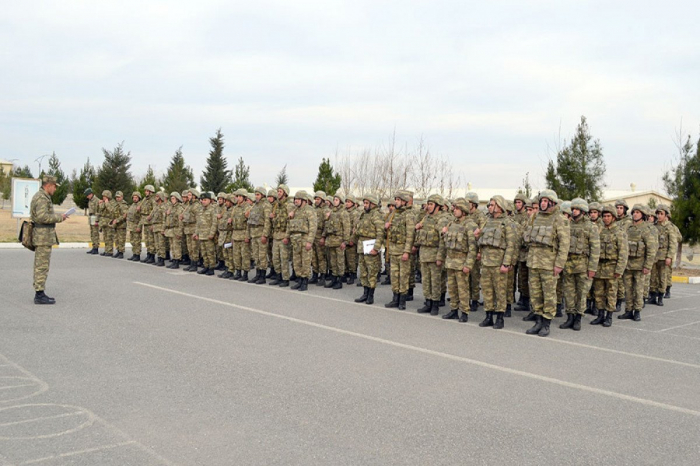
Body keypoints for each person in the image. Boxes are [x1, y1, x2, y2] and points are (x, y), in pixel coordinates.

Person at [523, 190, 570, 337]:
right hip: (534, 261)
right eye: (541, 201)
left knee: (549, 294)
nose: (542, 203)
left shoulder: (559, 219)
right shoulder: (535, 216)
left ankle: (546, 323)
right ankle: (537, 320)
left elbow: (564, 244)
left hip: (549, 263)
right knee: (535, 293)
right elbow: (526, 235)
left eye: (545, 201)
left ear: (552, 203)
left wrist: (559, 264)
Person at [476, 195, 517, 329]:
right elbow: (482, 241)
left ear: (499, 206)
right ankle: (488, 316)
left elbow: (511, 245)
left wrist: (506, 263)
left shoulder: (507, 223)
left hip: (499, 262)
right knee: (487, 290)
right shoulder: (486, 221)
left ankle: (500, 317)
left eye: (492, 204)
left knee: (500, 291)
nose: (489, 207)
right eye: (489, 205)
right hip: (486, 261)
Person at [560, 198, 600, 331]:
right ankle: (570, 317)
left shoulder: (591, 227)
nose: (574, 211)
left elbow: (595, 249)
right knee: (569, 293)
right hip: (568, 264)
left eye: (577, 209)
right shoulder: (567, 224)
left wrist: (592, 268)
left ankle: (578, 318)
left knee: (582, 294)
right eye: (573, 209)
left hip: (583, 265)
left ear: (583, 211)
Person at [30, 175, 68, 304]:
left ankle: (40, 292)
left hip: (43, 236)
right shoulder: (41, 197)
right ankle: (39, 294)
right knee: (42, 266)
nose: (55, 189)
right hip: (42, 237)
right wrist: (59, 217)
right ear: (49, 185)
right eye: (54, 187)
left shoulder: (43, 196)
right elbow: (42, 217)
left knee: (41, 265)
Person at [440, 198, 478, 322]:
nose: (454, 211)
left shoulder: (470, 225)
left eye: (457, 209)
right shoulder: (451, 224)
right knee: (452, 288)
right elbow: (446, 243)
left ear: (463, 210)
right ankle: (453, 310)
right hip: (450, 261)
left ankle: (464, 312)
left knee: (463, 289)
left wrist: (469, 264)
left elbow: (473, 248)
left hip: (462, 263)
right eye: (454, 208)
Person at [591, 205, 628, 327]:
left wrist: (619, 270)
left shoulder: (619, 232)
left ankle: (609, 316)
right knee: (598, 293)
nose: (606, 218)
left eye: (608, 216)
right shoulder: (599, 230)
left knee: (611, 293)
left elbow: (623, 253)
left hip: (612, 267)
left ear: (613, 217)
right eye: (604, 216)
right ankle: (600, 315)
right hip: (599, 267)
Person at [620, 204, 656, 321]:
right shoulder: (627, 227)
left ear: (643, 215)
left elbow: (651, 249)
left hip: (640, 266)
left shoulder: (646, 229)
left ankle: (637, 311)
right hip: (627, 265)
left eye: (638, 212)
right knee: (628, 289)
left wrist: (647, 266)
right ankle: (628, 310)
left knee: (638, 290)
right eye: (634, 212)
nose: (635, 214)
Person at [415, 194, 449, 315]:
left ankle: (435, 304)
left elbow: (442, 240)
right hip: (424, 253)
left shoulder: (442, 219)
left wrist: (440, 257)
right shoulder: (426, 218)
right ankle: (428, 302)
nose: (428, 207)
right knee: (426, 281)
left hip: (434, 254)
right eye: (428, 204)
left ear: (438, 206)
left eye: (431, 204)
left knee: (435, 281)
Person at [384, 191, 415, 309]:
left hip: (402, 251)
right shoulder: (393, 215)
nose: (395, 202)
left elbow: (410, 235)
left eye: (398, 200)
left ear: (404, 202)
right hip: (393, 250)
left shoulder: (409, 215)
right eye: (395, 199)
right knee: (394, 276)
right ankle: (395, 298)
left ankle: (402, 301)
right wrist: (386, 227)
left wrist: (407, 251)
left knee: (403, 276)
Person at [353, 193, 384, 304]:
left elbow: (380, 233)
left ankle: (371, 294)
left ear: (373, 204)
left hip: (371, 245)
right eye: (364, 203)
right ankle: (365, 293)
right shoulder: (363, 214)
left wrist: (376, 248)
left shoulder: (376, 215)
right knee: (363, 271)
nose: (364, 205)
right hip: (362, 245)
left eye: (367, 203)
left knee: (372, 271)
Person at [287, 191, 317, 291]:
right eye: (295, 199)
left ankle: (304, 282)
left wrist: (310, 241)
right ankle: (299, 280)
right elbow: (290, 225)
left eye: (298, 199)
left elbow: (313, 227)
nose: (296, 201)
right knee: (296, 261)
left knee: (306, 262)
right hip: (295, 240)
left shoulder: (309, 210)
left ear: (304, 200)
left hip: (305, 239)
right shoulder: (295, 211)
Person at [649, 204, 677, 306]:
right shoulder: (653, 227)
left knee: (662, 277)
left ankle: (660, 296)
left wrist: (669, 256)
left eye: (661, 214)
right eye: (658, 214)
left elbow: (673, 243)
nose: (659, 216)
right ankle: (652, 295)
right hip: (654, 256)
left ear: (666, 216)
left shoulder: (669, 227)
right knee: (652, 277)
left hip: (664, 256)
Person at [322, 193, 351, 290]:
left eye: (337, 200)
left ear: (340, 201)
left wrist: (345, 241)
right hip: (331, 241)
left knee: (340, 261)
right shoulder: (331, 212)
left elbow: (347, 228)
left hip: (339, 241)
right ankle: (334, 278)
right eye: (334, 199)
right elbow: (327, 226)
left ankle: (339, 280)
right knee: (332, 261)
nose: (334, 201)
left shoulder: (344, 213)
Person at [247, 187, 272, 284]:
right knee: (256, 255)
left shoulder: (266, 205)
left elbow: (267, 221)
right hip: (254, 233)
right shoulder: (255, 206)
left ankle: (262, 276)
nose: (256, 196)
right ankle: (258, 274)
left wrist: (265, 235)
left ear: (262, 195)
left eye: (258, 194)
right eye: (255, 194)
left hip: (261, 233)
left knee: (262, 256)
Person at [194, 192, 218, 275]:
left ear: (210, 200)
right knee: (204, 252)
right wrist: (196, 233)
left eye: (205, 200)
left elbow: (214, 223)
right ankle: (206, 266)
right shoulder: (200, 210)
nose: (203, 201)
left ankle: (211, 268)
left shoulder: (212, 210)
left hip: (208, 235)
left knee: (210, 252)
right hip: (201, 234)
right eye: (202, 200)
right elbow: (198, 223)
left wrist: (212, 234)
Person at [164, 192, 185, 269]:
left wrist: (179, 232)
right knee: (172, 246)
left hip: (176, 229)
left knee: (177, 247)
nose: (172, 200)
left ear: (177, 199)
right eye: (171, 198)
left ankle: (177, 261)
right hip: (170, 229)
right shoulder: (171, 207)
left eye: (173, 198)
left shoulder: (179, 208)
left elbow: (180, 221)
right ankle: (174, 260)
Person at [138, 185, 157, 263]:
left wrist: (152, 220)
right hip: (145, 222)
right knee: (147, 240)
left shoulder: (153, 200)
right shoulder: (145, 199)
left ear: (150, 191)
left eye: (147, 191)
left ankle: (152, 256)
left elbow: (155, 210)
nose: (145, 192)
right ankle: (148, 254)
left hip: (150, 221)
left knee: (151, 240)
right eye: (145, 191)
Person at [111, 191, 128, 258]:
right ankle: (118, 250)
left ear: (122, 197)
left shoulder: (124, 205)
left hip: (121, 225)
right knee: (116, 239)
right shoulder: (116, 205)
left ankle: (121, 252)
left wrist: (117, 220)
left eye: (119, 197)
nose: (117, 198)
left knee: (121, 239)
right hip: (116, 225)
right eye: (116, 197)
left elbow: (124, 215)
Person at [98, 190, 115, 256]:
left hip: (109, 221)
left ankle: (110, 251)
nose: (103, 197)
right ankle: (106, 250)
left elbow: (111, 210)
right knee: (105, 237)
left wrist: (107, 203)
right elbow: (101, 209)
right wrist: (101, 203)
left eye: (105, 196)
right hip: (103, 222)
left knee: (109, 237)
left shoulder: (112, 202)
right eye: (103, 196)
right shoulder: (104, 202)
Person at [126, 191, 143, 261]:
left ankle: (137, 254)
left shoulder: (140, 205)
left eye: (136, 197)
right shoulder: (132, 205)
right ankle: (134, 254)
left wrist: (139, 226)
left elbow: (142, 217)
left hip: (136, 225)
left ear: (139, 198)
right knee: (132, 241)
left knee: (137, 241)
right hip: (131, 226)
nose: (135, 199)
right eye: (134, 197)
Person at [85, 188, 100, 254]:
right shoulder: (90, 201)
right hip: (91, 217)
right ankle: (93, 247)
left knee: (95, 233)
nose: (87, 197)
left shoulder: (96, 200)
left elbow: (98, 211)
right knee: (92, 233)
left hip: (95, 217)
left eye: (87, 195)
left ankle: (96, 248)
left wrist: (97, 220)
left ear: (91, 194)